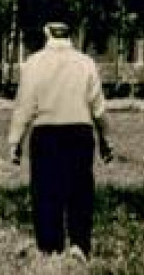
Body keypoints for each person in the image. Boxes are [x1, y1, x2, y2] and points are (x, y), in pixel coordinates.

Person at [7, 21, 112, 258]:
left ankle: (49, 247)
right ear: (70, 36)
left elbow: (24, 106)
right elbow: (98, 108)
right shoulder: (86, 63)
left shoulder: (33, 64)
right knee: (80, 190)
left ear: (46, 34)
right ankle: (79, 244)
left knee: (45, 192)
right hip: (79, 132)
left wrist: (15, 141)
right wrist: (106, 139)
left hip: (46, 134)